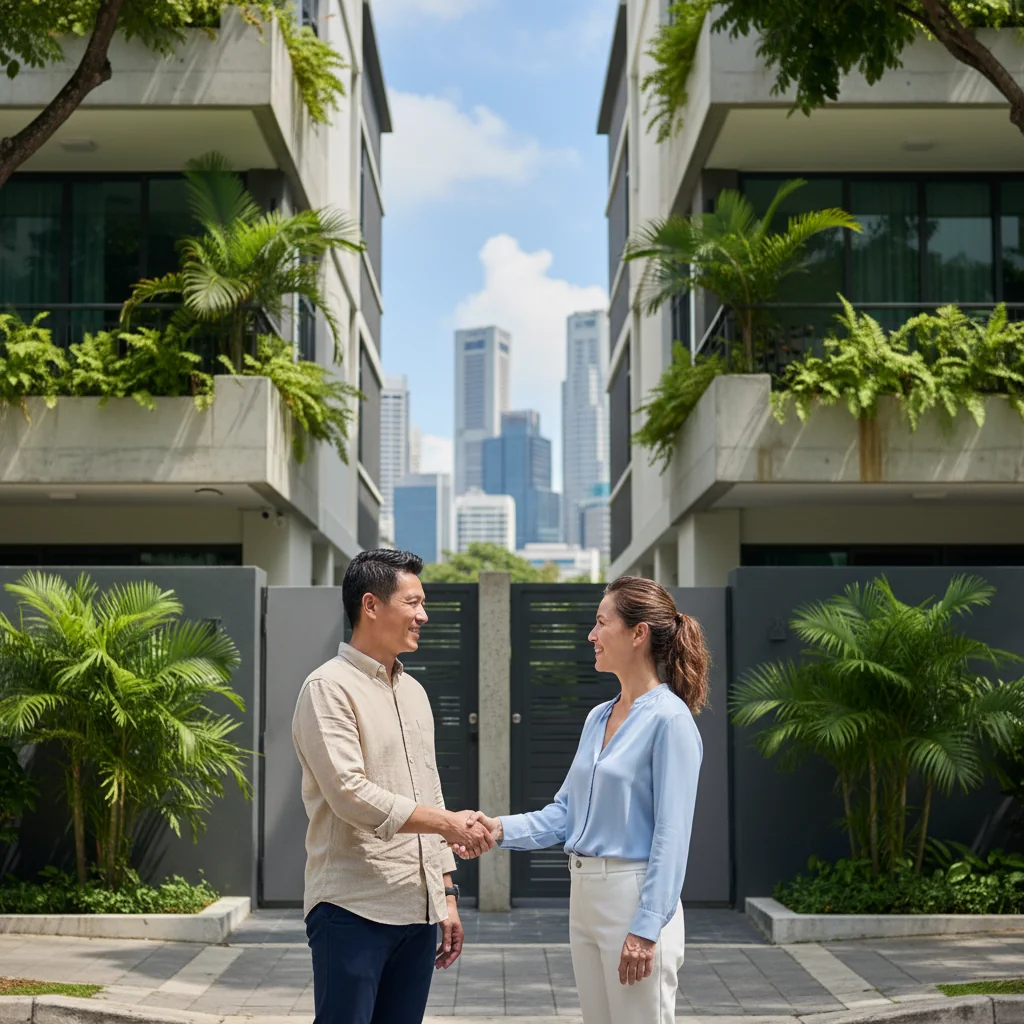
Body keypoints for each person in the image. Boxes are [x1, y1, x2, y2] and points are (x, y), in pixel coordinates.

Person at [474, 576, 708, 1024]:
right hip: (583, 897)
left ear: (638, 633)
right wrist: (497, 829)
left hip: (633, 897)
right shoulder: (598, 716)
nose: (592, 634)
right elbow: (565, 813)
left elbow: (672, 835)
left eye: (602, 623)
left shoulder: (670, 721)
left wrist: (646, 927)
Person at [292, 549, 494, 1024]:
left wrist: (446, 894)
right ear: (371, 605)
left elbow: (431, 792)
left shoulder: (415, 692)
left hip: (418, 912)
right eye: (413, 602)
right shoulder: (328, 688)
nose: (423, 615)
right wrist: (449, 823)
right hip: (352, 908)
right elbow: (349, 792)